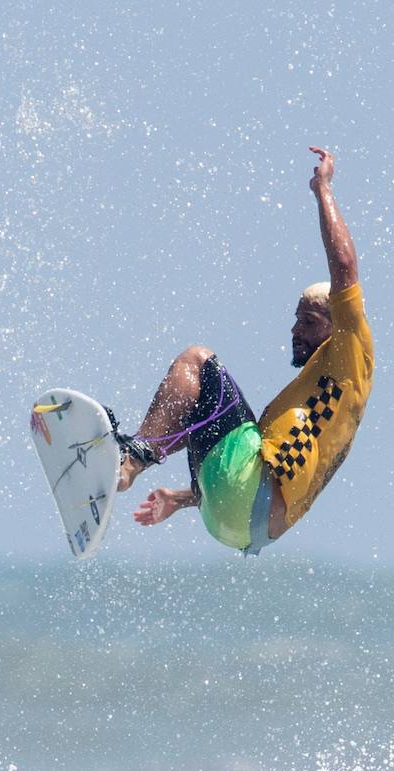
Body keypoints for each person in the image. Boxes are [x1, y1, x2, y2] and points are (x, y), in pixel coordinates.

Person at [115, 148, 374, 554]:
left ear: (334, 323)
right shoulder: (315, 410)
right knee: (202, 412)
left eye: (308, 321)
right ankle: (140, 461)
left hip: (250, 496)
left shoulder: (351, 348)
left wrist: (322, 188)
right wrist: (180, 500)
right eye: (295, 318)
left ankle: (128, 462)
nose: (295, 329)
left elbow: (344, 268)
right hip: (241, 527)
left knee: (198, 362)